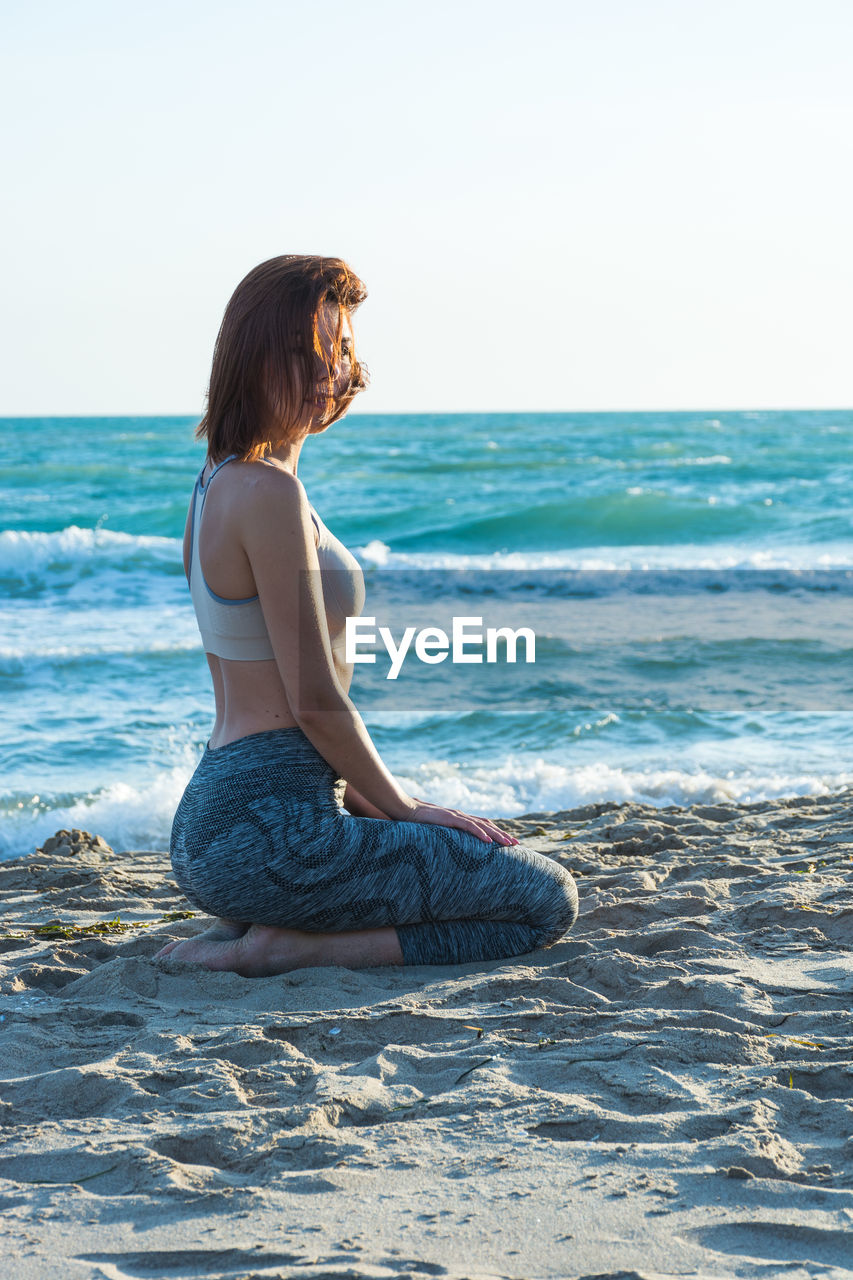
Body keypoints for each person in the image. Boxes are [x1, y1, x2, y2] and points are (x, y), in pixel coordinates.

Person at [155, 255, 577, 976]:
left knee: (471, 864)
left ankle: (271, 929)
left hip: (214, 828)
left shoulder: (216, 485)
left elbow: (248, 675)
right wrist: (407, 807)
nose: (329, 372)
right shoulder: (266, 493)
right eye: (303, 352)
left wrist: (370, 802)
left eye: (340, 349)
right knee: (545, 900)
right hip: (275, 833)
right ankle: (283, 950)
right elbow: (314, 702)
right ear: (249, 358)